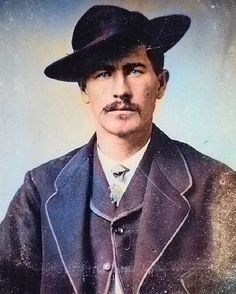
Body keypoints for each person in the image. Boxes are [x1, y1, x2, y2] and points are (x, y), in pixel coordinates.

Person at [0, 5, 235, 294]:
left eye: (134, 70)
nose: (120, 90)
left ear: (160, 84)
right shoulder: (39, 188)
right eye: (103, 73)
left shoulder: (217, 186)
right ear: (84, 89)